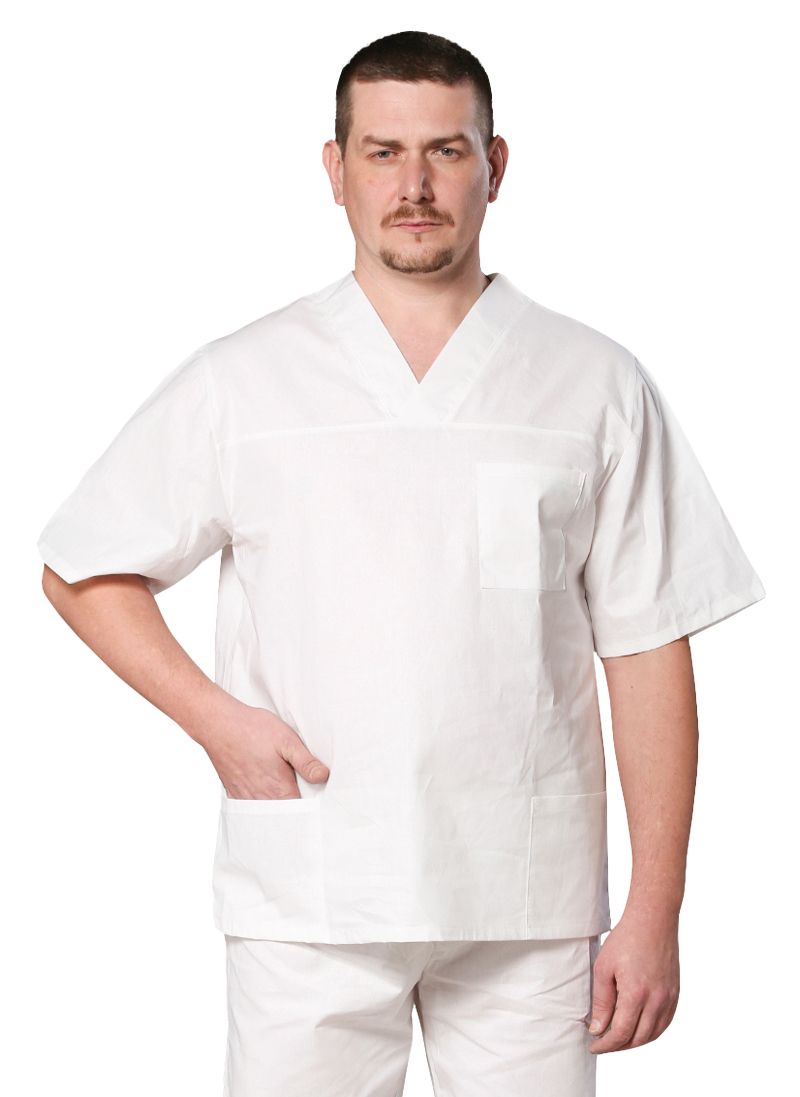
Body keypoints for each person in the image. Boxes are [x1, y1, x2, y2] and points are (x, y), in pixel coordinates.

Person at [36, 29, 766, 1097]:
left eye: (445, 151)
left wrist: (655, 906)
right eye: (382, 152)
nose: (413, 185)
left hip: (526, 897)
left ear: (494, 166)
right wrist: (218, 722)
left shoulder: (592, 382)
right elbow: (84, 567)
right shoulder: (245, 381)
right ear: (335, 170)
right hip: (310, 886)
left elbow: (649, 643)